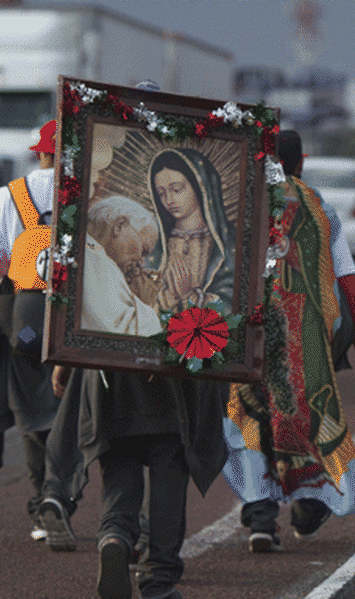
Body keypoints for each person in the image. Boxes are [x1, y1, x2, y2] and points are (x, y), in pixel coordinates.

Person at [45, 80, 228, 599]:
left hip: (112, 377)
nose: (143, 258)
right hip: (170, 377)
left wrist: (65, 357)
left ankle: (114, 538)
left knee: (121, 471)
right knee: (169, 470)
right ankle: (159, 575)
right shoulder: (109, 254)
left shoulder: (91, 236)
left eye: (179, 189)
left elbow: (71, 302)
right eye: (140, 247)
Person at [222, 129, 355, 553]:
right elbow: (347, 283)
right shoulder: (320, 210)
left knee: (252, 421)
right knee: (304, 421)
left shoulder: (240, 204)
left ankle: (260, 519)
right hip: (304, 342)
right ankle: (309, 508)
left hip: (247, 337)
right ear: (301, 163)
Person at [0, 120, 80, 552]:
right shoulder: (88, 193)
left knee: (32, 411)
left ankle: (41, 510)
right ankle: (59, 495)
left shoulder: (9, 196)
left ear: (41, 153)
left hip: (27, 318)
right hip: (78, 316)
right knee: (76, 407)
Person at [130, 148, 236, 312]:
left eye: (177, 189)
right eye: (162, 193)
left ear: (199, 186)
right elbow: (135, 303)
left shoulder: (228, 243)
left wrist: (190, 296)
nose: (169, 200)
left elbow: (232, 306)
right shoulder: (154, 242)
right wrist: (171, 296)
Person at [82, 195, 163, 336]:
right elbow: (124, 342)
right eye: (143, 251)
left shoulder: (93, 254)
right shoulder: (95, 260)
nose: (141, 262)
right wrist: (145, 303)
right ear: (119, 225)